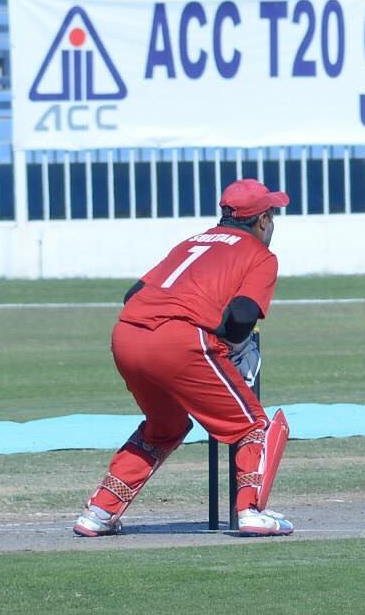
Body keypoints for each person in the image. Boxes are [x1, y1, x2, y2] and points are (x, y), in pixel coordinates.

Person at [74, 179, 294, 537]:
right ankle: (251, 510)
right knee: (252, 425)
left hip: (127, 334)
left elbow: (133, 294)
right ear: (264, 220)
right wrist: (231, 348)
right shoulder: (260, 255)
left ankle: (99, 512)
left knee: (166, 427)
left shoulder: (192, 242)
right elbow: (240, 319)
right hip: (179, 340)